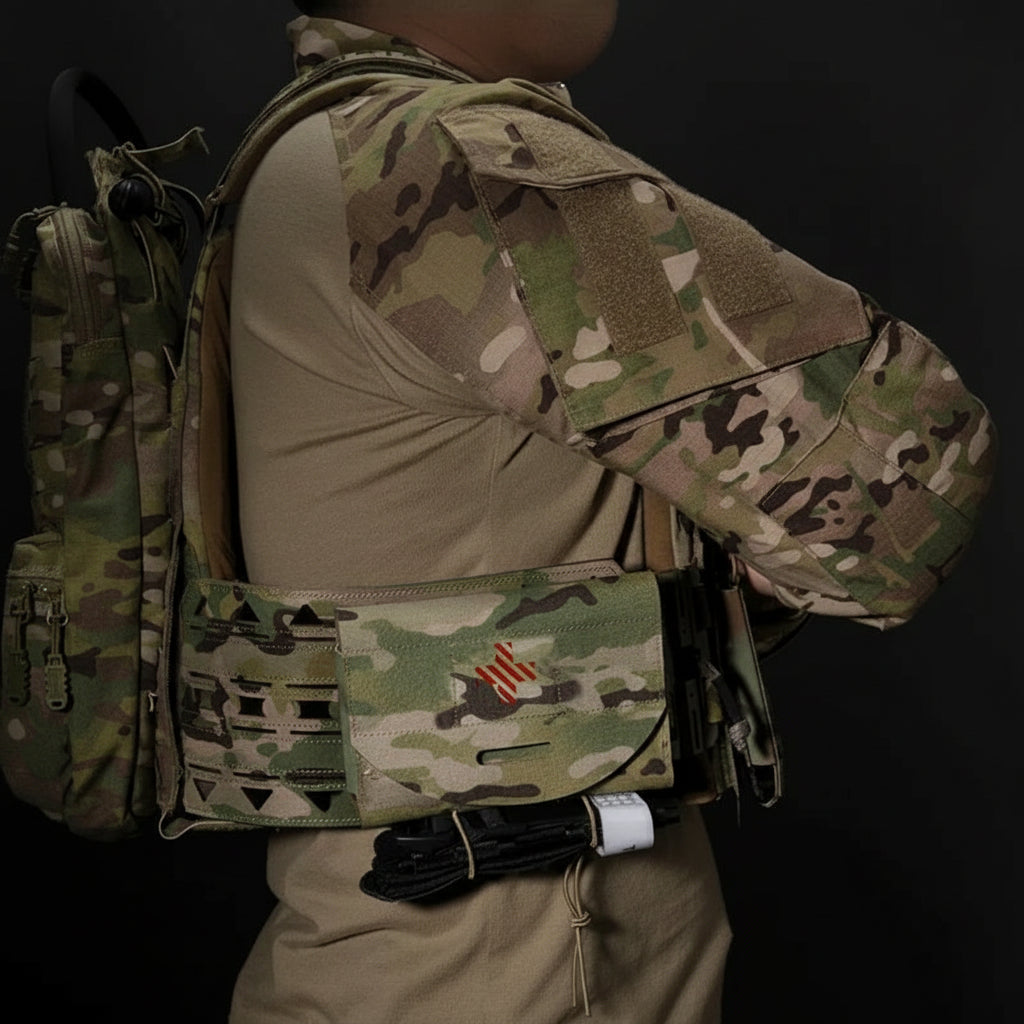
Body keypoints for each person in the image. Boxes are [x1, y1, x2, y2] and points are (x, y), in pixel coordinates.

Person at [226, 2, 996, 1021]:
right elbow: (897, 506)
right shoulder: (449, 161)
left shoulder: (303, 144)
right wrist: (755, 543)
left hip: (405, 950)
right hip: (520, 966)